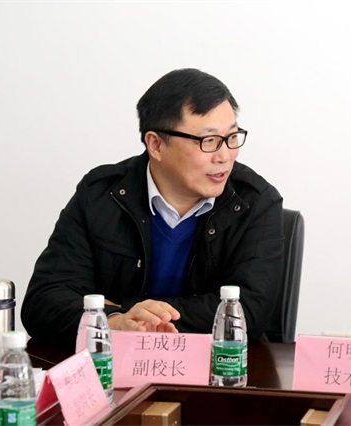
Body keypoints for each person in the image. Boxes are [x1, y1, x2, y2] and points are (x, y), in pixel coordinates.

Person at [22, 68, 284, 349]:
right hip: (115, 367)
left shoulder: (255, 202)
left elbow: (247, 313)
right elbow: (43, 302)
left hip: (221, 368)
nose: (225, 156)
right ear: (156, 145)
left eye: (232, 137)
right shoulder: (100, 195)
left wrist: (125, 313)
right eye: (209, 141)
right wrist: (114, 322)